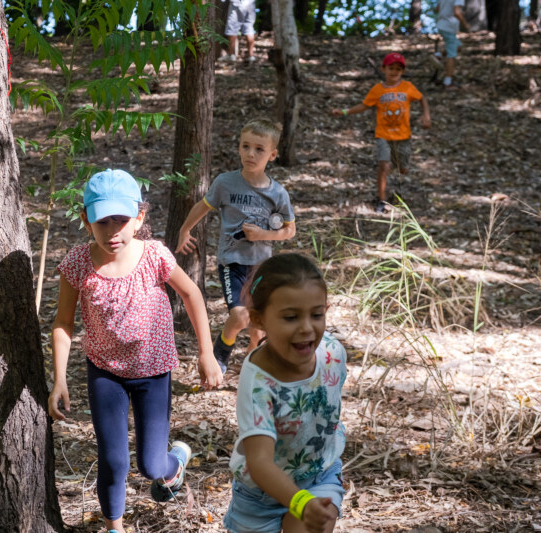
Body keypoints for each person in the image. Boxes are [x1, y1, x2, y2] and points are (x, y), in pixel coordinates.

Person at [48, 169, 223, 533]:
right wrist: (59, 378)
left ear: (139, 218)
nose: (113, 231)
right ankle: (115, 527)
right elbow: (63, 322)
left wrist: (207, 353)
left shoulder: (155, 256)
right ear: (85, 220)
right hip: (105, 371)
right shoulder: (78, 264)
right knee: (113, 460)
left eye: (122, 220)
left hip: (153, 370)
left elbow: (191, 294)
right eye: (102, 221)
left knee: (151, 466)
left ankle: (173, 464)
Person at [223, 253, 347, 533]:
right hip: (260, 495)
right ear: (259, 319)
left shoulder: (332, 353)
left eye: (317, 315)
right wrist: (299, 501)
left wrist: (306, 502)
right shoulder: (258, 384)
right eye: (290, 317)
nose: (306, 327)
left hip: (318, 477)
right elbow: (260, 462)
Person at [176, 118, 296, 374]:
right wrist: (185, 229)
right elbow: (203, 206)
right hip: (232, 262)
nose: (250, 154)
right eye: (245, 146)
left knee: (259, 326)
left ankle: (254, 368)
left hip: (262, 266)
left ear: (272, 155)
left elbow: (289, 230)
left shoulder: (278, 194)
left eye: (259, 149)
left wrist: (262, 234)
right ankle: (219, 354)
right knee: (241, 316)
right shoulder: (225, 183)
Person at [331, 52, 431, 213]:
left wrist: (426, 115)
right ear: (383, 69)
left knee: (403, 169)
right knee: (383, 165)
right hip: (383, 135)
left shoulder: (407, 87)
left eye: (398, 69)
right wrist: (344, 112)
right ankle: (382, 200)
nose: (394, 72)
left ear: (403, 72)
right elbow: (364, 105)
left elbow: (422, 99)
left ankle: (398, 169)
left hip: (403, 136)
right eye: (391, 68)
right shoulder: (377, 90)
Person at [435, 0, 469, 89]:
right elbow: (456, 12)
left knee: (457, 47)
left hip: (442, 25)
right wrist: (466, 25)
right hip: (449, 27)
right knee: (452, 55)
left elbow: (437, 9)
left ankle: (438, 55)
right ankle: (447, 82)